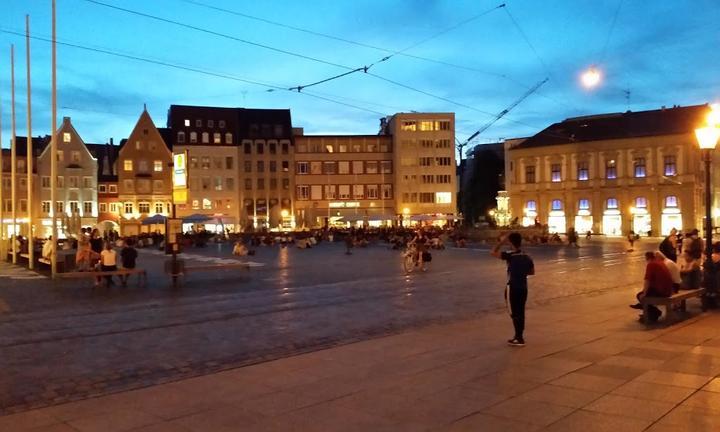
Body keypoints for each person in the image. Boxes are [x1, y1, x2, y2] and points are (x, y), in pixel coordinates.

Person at [491, 232, 535, 347]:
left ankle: (519, 338)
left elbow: (493, 252)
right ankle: (519, 336)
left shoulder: (509, 255)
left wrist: (501, 242)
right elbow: (532, 272)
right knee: (521, 312)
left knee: (514, 313)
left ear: (510, 242)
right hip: (523, 287)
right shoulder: (526, 256)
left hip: (512, 287)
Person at [630, 252, 674, 323]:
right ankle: (649, 312)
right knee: (645, 295)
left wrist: (644, 293)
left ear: (647, 258)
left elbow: (647, 280)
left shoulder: (651, 264)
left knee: (640, 296)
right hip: (668, 289)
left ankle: (654, 313)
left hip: (662, 291)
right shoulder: (660, 262)